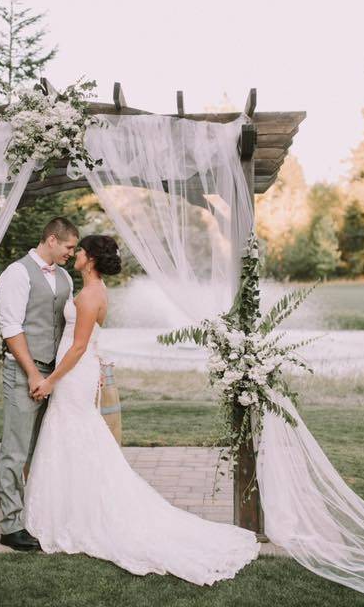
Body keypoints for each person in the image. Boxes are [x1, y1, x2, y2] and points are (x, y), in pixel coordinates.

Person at [23, 234, 260, 585]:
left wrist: (50, 381)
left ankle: (78, 513)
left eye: (80, 251)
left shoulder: (90, 295)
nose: (76, 254)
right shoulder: (92, 289)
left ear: (90, 259)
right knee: (74, 438)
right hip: (79, 372)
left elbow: (77, 348)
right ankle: (71, 507)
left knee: (73, 435)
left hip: (73, 373)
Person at [0, 217, 78, 551]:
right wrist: (32, 373)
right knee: (16, 450)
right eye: (69, 247)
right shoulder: (16, 274)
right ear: (53, 240)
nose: (71, 253)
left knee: (45, 448)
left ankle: (38, 514)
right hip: (24, 372)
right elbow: (12, 328)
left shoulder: (65, 277)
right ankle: (10, 525)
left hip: (55, 376)